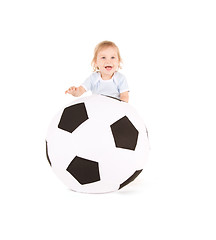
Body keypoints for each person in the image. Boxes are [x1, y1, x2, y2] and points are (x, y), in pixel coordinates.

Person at [65, 41, 129, 102]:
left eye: (112, 57)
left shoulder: (120, 78)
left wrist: (121, 109)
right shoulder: (93, 78)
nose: (108, 61)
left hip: (114, 109)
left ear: (118, 61)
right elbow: (80, 91)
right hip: (97, 109)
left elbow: (124, 97)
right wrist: (75, 92)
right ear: (96, 62)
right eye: (103, 57)